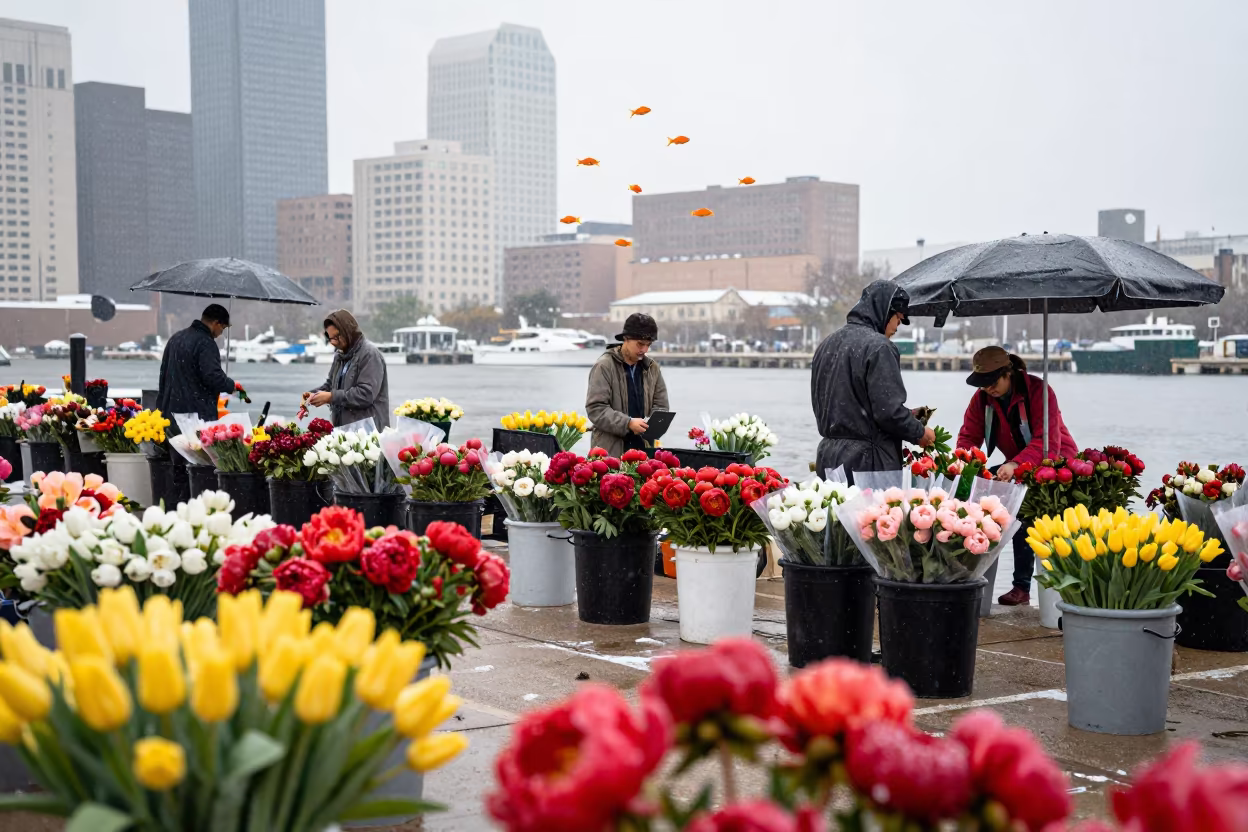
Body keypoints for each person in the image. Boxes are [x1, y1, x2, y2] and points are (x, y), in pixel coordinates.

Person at [957, 345, 1078, 606]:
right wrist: (965, 464)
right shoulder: (981, 399)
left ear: (1008, 372)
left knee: (1027, 517)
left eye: (992, 381)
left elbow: (1046, 443)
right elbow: (968, 437)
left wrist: (1015, 465)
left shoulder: (1038, 391)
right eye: (983, 383)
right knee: (991, 508)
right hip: (1017, 463)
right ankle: (1006, 585)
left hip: (1056, 461)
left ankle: (1025, 587)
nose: (988, 388)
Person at [811, 280, 934, 482]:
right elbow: (889, 412)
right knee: (870, 514)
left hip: (828, 457)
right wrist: (919, 432)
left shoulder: (827, 344)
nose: (897, 327)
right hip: (868, 462)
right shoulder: (879, 347)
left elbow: (846, 403)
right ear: (884, 312)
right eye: (898, 318)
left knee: (835, 513)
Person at [586, 312, 669, 458]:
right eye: (640, 344)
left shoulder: (652, 368)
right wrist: (628, 423)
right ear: (626, 339)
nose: (644, 350)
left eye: (648, 345)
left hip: (644, 451)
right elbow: (595, 409)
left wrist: (653, 425)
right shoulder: (604, 366)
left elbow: (661, 406)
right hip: (609, 452)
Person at [303, 310, 390, 429]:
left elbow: (366, 394)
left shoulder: (370, 354)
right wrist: (313, 394)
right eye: (330, 338)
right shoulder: (340, 355)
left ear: (348, 331)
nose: (333, 342)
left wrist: (331, 397)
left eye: (337, 337)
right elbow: (330, 385)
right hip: (344, 430)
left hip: (368, 432)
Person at [155, 303, 240, 422]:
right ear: (216, 323)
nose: (221, 332)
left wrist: (161, 407)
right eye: (223, 328)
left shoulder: (175, 338)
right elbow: (212, 376)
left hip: (171, 413)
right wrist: (232, 386)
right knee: (194, 442)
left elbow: (163, 374)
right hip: (197, 416)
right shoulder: (206, 343)